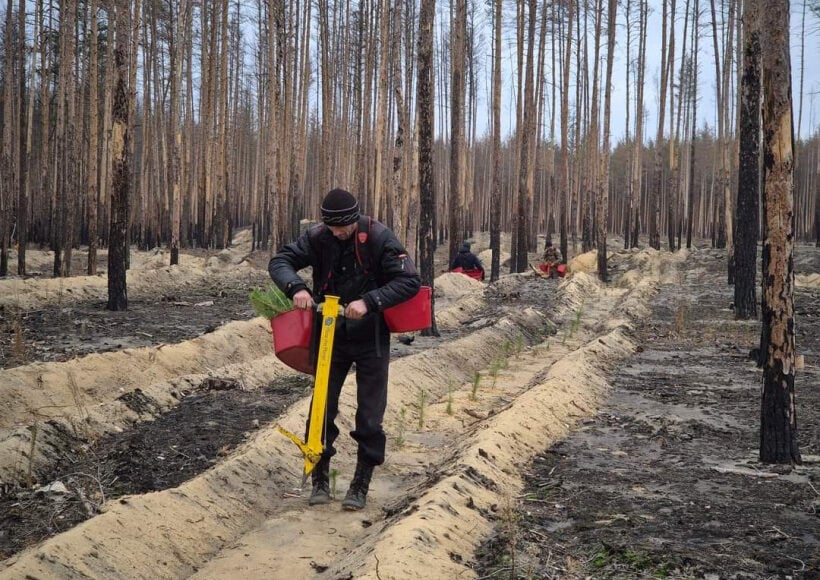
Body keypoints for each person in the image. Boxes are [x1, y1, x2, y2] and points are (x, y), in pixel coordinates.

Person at [268, 188, 421, 510]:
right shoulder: (317, 237)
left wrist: (370, 301)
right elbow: (281, 261)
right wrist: (296, 288)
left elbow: (408, 281)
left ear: (355, 220)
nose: (338, 232)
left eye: (344, 227)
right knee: (321, 409)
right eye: (333, 227)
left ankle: (360, 484)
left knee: (369, 415)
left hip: (371, 336)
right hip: (329, 335)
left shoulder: (378, 237)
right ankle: (319, 478)